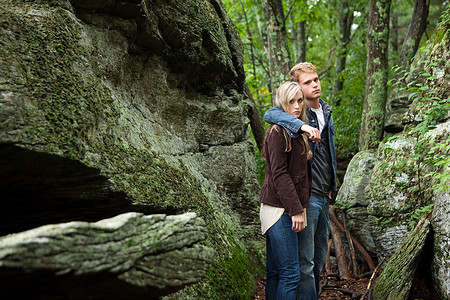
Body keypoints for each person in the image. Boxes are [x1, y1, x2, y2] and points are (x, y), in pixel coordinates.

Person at [264, 62, 338, 300]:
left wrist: (331, 189)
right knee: (302, 265)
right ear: (296, 88)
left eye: (316, 79)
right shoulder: (292, 118)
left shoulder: (325, 111)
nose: (315, 85)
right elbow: (271, 113)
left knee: (317, 261)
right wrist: (303, 125)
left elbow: (329, 153)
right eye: (308, 82)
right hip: (304, 198)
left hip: (323, 196)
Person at [260, 81, 313, 300]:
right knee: (290, 274)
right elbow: (279, 175)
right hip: (279, 210)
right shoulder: (277, 132)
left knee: (276, 274)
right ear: (282, 103)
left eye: (300, 101)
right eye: (291, 101)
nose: (297, 106)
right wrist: (295, 210)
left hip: (285, 208)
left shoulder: (296, 132)